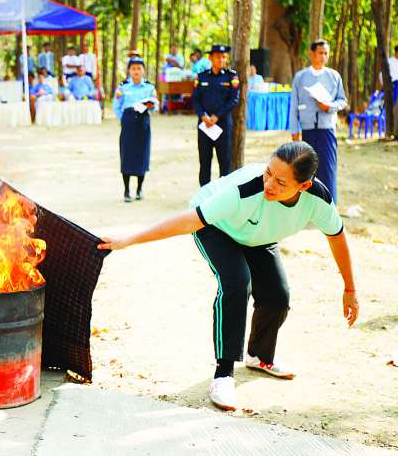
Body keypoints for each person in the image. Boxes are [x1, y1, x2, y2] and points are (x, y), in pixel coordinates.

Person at [98, 141, 359, 412]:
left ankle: (259, 356)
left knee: (277, 297)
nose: (269, 184)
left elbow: (337, 237)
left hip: (257, 236)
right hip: (215, 227)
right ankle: (223, 375)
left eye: (281, 182)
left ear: (303, 186)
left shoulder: (318, 200)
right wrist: (129, 239)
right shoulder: (246, 190)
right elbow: (189, 221)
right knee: (236, 281)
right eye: (268, 172)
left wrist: (350, 289)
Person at [288, 39, 347, 203]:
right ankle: (308, 205)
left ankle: (330, 204)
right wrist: (294, 131)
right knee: (306, 170)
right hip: (307, 131)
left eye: (326, 53)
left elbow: (342, 101)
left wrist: (329, 106)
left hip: (327, 130)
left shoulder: (334, 76)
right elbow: (293, 107)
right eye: (320, 53)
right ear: (312, 53)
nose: (323, 56)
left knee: (328, 169)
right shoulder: (301, 77)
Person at [193, 44, 240, 186]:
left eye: (224, 57)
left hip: (222, 125)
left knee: (225, 163)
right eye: (218, 57)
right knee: (204, 162)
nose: (221, 60)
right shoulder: (201, 76)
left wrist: (217, 116)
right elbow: (195, 99)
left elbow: (234, 100)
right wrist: (203, 116)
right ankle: (204, 193)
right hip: (204, 125)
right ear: (210, 58)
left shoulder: (231, 76)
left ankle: (223, 194)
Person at [113, 57, 158, 202]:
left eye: (139, 68)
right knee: (126, 155)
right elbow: (116, 105)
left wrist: (152, 106)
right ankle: (126, 190)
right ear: (129, 71)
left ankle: (139, 189)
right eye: (133, 68)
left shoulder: (149, 87)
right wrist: (123, 119)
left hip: (143, 122)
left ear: (143, 70)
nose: (136, 71)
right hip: (128, 122)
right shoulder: (123, 87)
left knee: (142, 154)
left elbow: (156, 106)